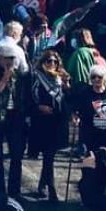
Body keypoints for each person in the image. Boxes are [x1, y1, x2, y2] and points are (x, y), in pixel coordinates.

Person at [73, 65, 106, 210]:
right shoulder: (85, 93)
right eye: (93, 77)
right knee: (88, 170)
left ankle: (97, 200)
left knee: (104, 171)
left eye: (99, 77)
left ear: (105, 78)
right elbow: (76, 109)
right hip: (89, 137)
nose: (96, 80)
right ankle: (86, 200)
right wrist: (75, 116)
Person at [0, 43, 29, 198]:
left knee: (16, 154)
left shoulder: (19, 75)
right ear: (0, 59)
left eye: (12, 58)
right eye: (7, 58)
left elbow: (23, 95)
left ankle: (14, 190)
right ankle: (0, 189)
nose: (10, 62)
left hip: (15, 117)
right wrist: (4, 78)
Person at [28, 49, 71, 200]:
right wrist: (39, 107)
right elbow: (29, 98)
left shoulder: (60, 79)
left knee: (50, 155)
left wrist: (67, 86)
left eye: (55, 61)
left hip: (57, 121)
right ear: (43, 63)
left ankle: (43, 185)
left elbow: (68, 100)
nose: (52, 64)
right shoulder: (36, 77)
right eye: (49, 61)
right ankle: (50, 188)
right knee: (48, 155)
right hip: (42, 122)